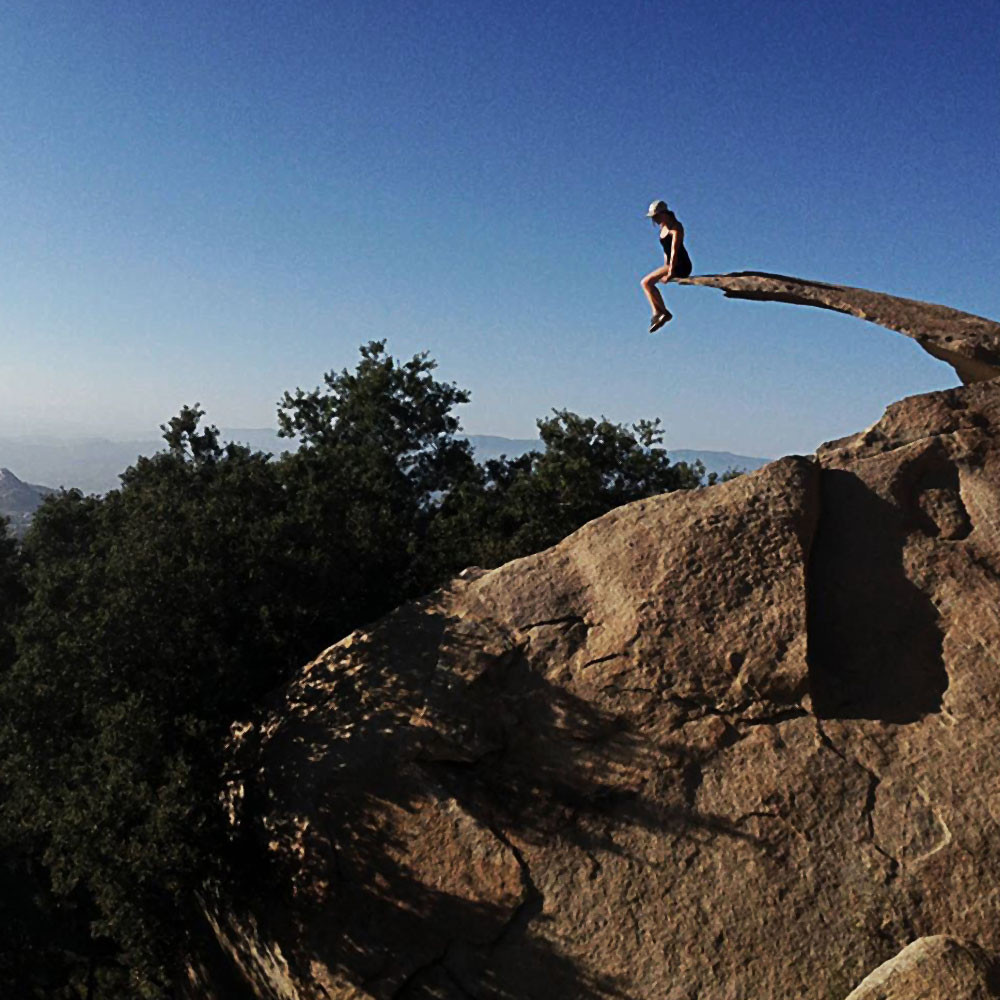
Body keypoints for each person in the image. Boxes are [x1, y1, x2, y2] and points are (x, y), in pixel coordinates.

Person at [641, 199, 693, 332]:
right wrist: (665, 266)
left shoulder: (676, 227)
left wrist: (670, 272)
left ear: (664, 214)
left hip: (681, 265)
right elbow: (666, 250)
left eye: (656, 216)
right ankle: (658, 312)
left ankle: (662, 313)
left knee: (646, 282)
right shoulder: (662, 228)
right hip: (670, 264)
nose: (655, 220)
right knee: (647, 283)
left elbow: (675, 250)